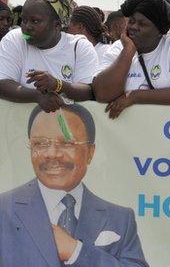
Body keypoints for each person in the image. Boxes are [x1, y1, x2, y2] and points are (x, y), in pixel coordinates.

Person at [0, 104, 149, 267]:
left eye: (66, 143)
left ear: (90, 153)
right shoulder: (4, 209)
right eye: (40, 144)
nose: (52, 154)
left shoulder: (120, 219)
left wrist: (76, 252)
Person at [93, 0, 170, 119]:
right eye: (131, 21)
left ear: (159, 31)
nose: (134, 27)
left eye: (142, 24)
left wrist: (134, 97)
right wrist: (128, 51)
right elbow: (102, 94)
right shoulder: (118, 47)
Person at [0, 0, 98, 113]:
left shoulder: (79, 47)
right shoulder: (15, 39)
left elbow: (89, 92)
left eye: (35, 21)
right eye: (24, 20)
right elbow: (2, 83)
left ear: (57, 25)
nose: (27, 27)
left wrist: (57, 85)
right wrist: (38, 96)